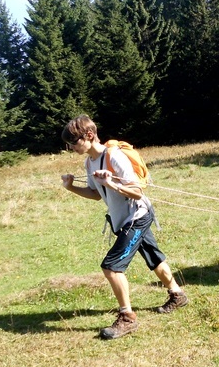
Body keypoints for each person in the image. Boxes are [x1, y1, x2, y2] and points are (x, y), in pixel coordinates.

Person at [60, 115, 188, 340]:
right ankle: (177, 294)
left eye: (73, 142)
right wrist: (71, 187)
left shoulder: (114, 156)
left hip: (136, 217)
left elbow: (137, 191)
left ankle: (127, 318)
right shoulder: (89, 162)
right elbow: (95, 194)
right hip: (123, 219)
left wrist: (110, 182)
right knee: (154, 258)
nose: (70, 147)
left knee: (111, 267)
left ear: (89, 136)